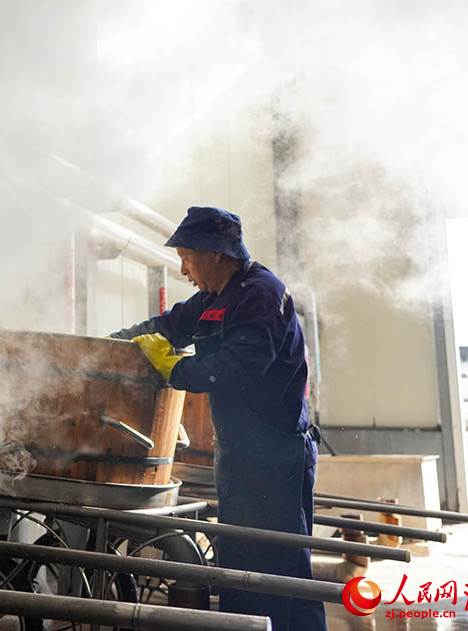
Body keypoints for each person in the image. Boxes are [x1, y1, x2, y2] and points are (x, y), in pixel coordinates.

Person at [109, 206, 326, 630]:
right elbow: (167, 325)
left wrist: (173, 370)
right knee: (253, 569)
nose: (184, 269)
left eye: (187, 258)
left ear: (214, 253)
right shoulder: (214, 298)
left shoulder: (261, 293)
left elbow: (236, 370)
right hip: (243, 457)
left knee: (270, 574)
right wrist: (112, 345)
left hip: (274, 458)